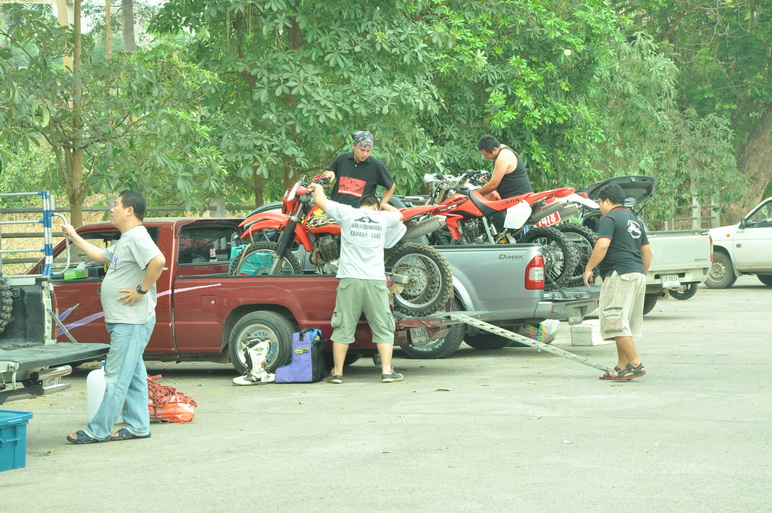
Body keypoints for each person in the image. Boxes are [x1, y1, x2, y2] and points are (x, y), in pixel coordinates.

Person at [63, 190, 166, 443]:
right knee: (134, 376)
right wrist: (74, 236)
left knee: (116, 378)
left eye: (116, 204)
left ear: (129, 210)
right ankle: (138, 426)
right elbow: (100, 256)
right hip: (126, 320)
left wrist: (141, 290)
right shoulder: (126, 239)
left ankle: (97, 430)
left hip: (131, 321)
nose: (111, 208)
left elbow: (158, 261)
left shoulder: (138, 236)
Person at [308, 182, 404, 384]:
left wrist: (318, 186)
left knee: (343, 326)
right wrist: (384, 204)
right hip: (375, 280)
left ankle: (337, 373)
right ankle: (387, 371)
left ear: (360, 205)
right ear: (374, 206)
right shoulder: (382, 217)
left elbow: (320, 200)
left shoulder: (348, 213)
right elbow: (400, 215)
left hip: (350, 279)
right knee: (383, 327)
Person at [583, 184, 652, 381]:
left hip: (620, 274)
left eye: (600, 203)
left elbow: (602, 245)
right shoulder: (634, 219)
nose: (600, 208)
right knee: (623, 324)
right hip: (637, 274)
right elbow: (647, 252)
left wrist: (589, 268)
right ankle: (621, 367)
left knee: (614, 321)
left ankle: (635, 364)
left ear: (607, 201)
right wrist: (640, 273)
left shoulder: (609, 218)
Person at [322, 130, 396, 209]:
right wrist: (329, 173)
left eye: (368, 151)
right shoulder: (343, 158)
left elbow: (391, 186)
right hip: (336, 209)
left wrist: (382, 204)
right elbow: (326, 173)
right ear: (353, 146)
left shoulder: (376, 166)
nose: (365, 154)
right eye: (362, 150)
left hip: (360, 213)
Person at [475, 135, 533, 199]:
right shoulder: (501, 147)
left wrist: (475, 194)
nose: (485, 157)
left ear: (494, 149)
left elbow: (493, 185)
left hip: (519, 199)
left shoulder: (503, 157)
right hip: (512, 198)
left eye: (485, 154)